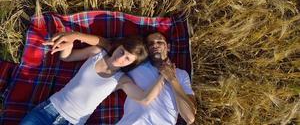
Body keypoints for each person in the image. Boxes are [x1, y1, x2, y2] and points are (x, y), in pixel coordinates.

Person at [20, 34, 165, 125]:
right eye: (122, 51)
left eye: (127, 58)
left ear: (130, 64)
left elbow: (145, 98)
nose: (120, 58)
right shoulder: (97, 53)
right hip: (47, 110)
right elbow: (67, 57)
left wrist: (163, 76)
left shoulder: (122, 80)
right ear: (118, 46)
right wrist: (69, 45)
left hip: (73, 122)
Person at [116, 32, 197, 125]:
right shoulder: (136, 66)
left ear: (168, 47)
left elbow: (189, 118)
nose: (155, 45)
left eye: (159, 42)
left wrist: (172, 79)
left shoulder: (181, 74)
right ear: (147, 49)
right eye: (150, 43)